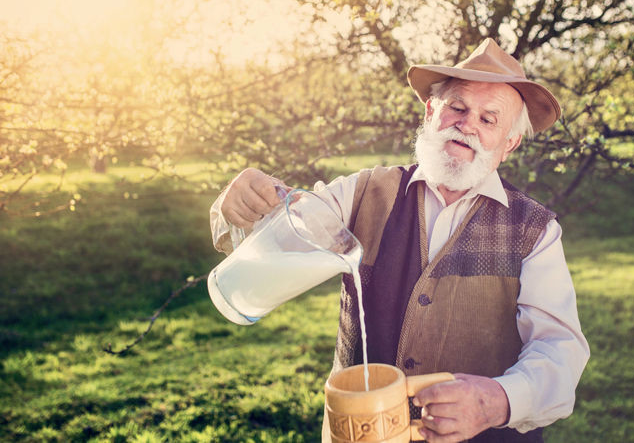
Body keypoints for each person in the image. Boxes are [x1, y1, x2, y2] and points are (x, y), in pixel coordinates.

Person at [209, 38, 589, 442]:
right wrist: (236, 205)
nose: (467, 125)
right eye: (457, 108)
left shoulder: (535, 230)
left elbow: (559, 351)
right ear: (431, 111)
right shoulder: (363, 191)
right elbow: (275, 233)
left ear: (509, 143)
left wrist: (493, 401)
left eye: (489, 119)